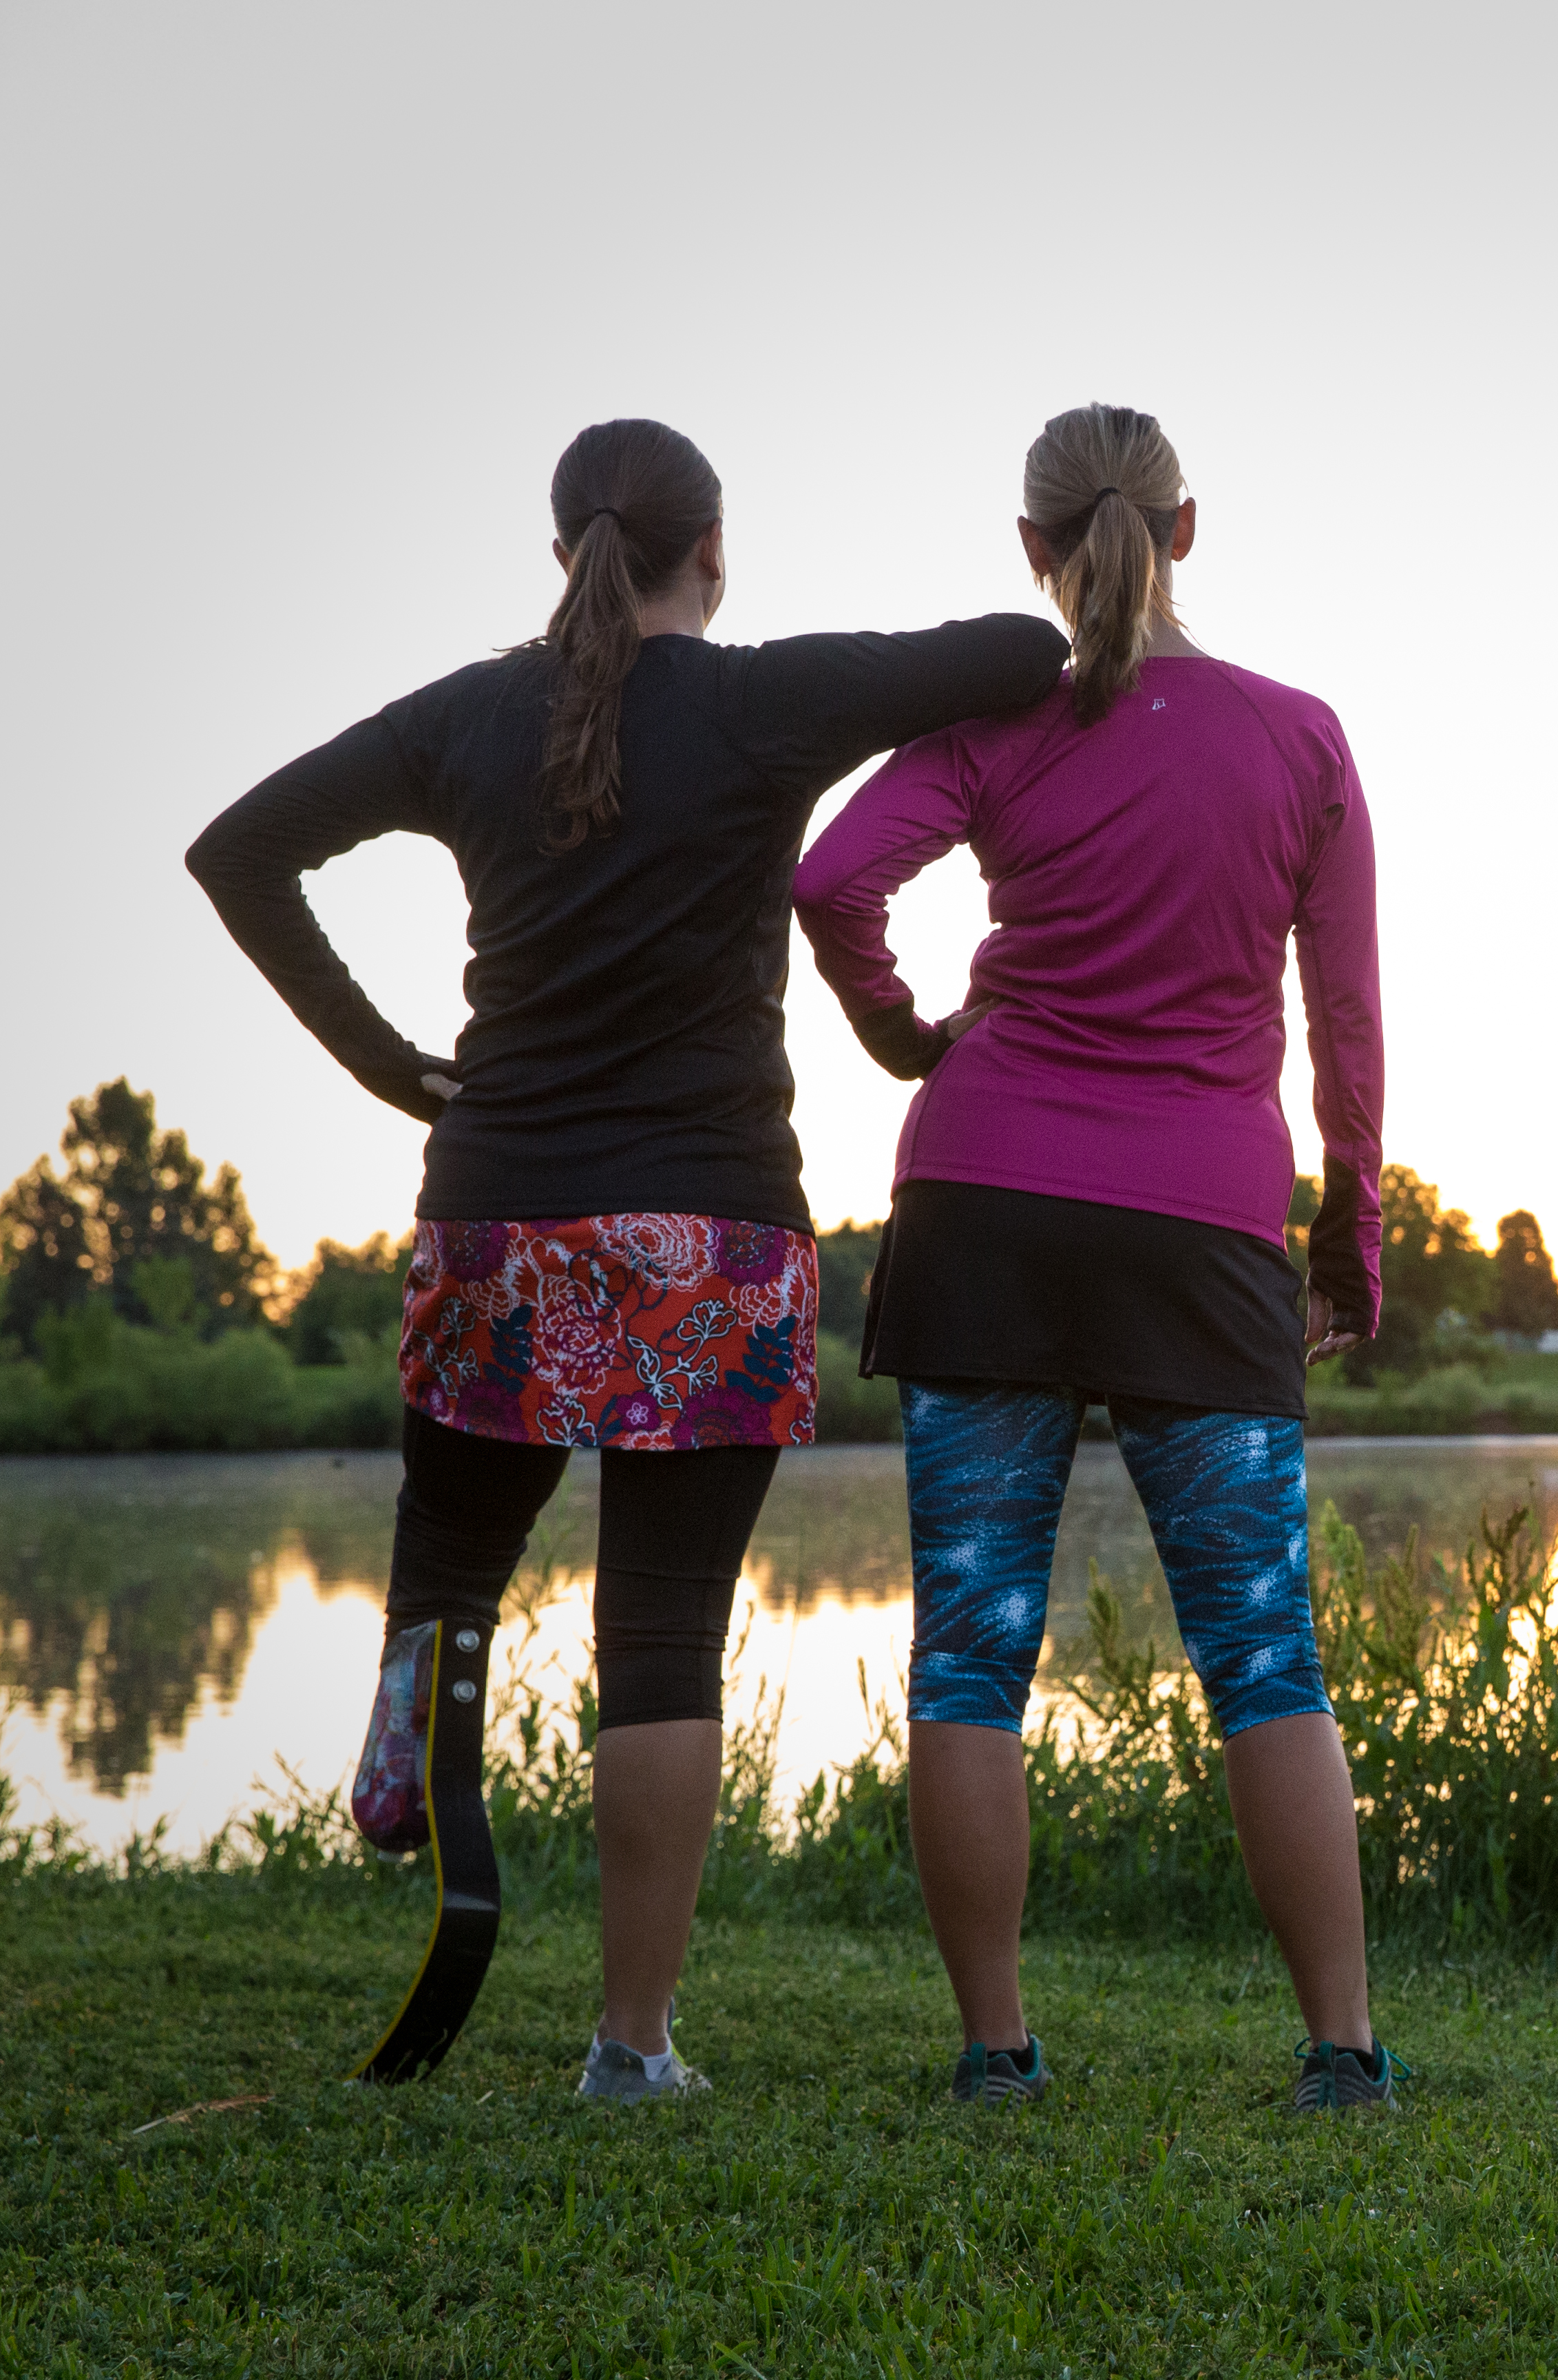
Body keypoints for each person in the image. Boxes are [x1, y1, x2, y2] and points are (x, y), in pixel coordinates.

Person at [188, 419, 1068, 2100]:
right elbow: (1018, 652)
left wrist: (391, 1067)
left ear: (562, 549)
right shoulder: (757, 701)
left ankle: (410, 1786)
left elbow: (239, 851)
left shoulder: (463, 715)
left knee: (448, 1571)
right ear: (710, 551)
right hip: (706, 1238)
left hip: (498, 1215)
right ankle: (629, 2042)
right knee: (660, 1636)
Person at [791, 402, 1393, 2113]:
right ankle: (1343, 2055)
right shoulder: (1300, 738)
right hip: (1203, 1230)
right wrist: (1346, 1236)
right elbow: (1343, 1021)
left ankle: (998, 2055)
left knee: (972, 1651)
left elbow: (833, 879)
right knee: (1265, 1652)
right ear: (1186, 529)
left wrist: (909, 1034)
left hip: (985, 1206)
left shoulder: (999, 725)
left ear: (1033, 555)